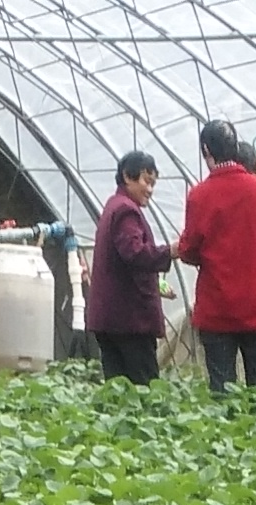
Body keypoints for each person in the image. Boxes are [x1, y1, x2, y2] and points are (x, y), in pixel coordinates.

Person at [174, 118, 256, 393]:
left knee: (222, 391)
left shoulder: (200, 196)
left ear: (207, 150)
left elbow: (188, 250)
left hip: (218, 308)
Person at [82, 148, 168, 379]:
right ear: (128, 177)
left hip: (111, 319)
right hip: (129, 321)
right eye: (146, 181)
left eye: (153, 184)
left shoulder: (114, 205)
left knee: (118, 390)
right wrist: (171, 252)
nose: (150, 189)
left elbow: (122, 262)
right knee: (144, 389)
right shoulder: (125, 210)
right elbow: (135, 253)